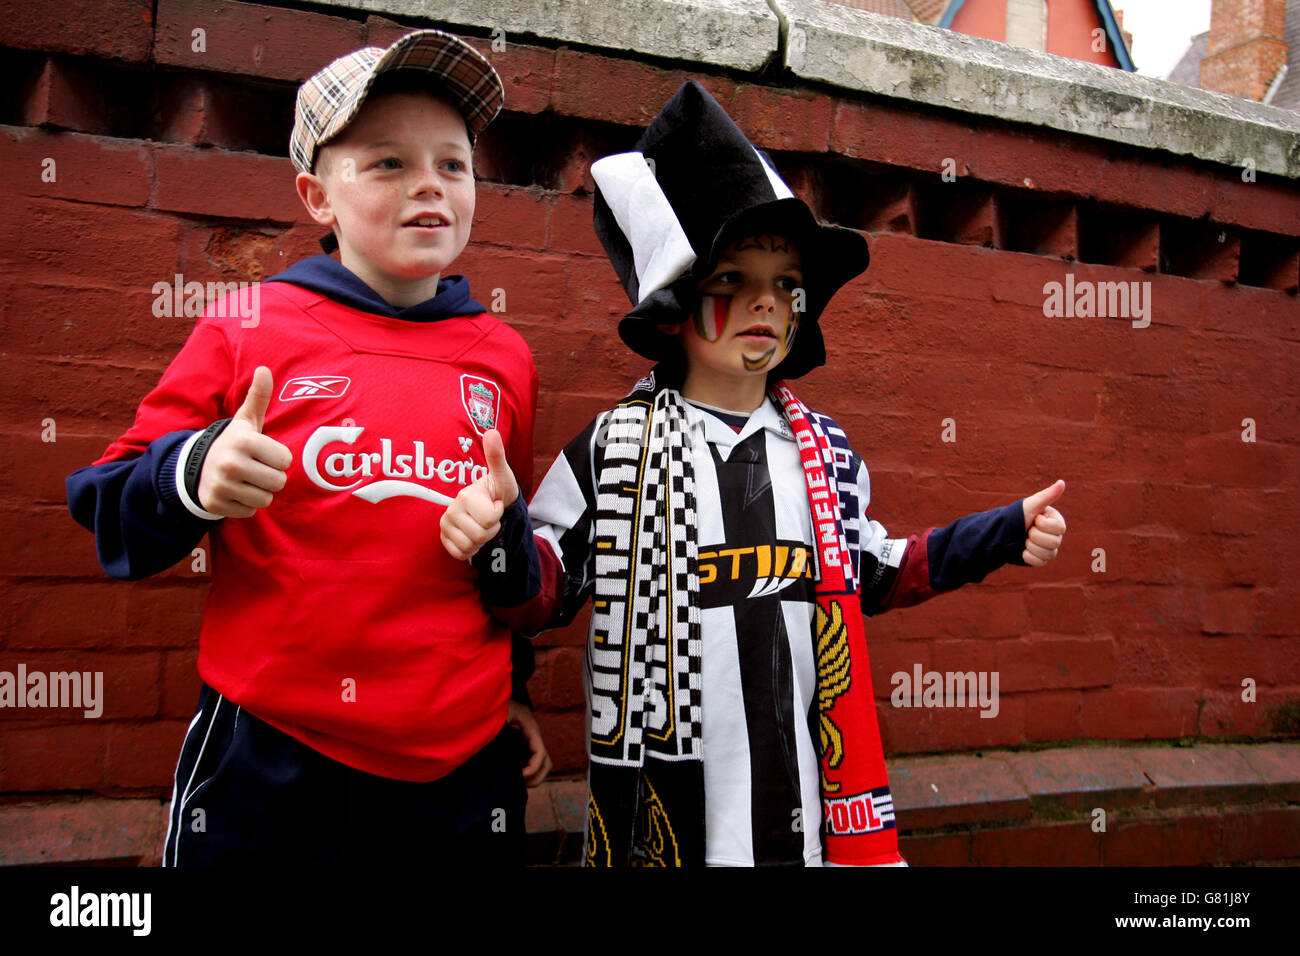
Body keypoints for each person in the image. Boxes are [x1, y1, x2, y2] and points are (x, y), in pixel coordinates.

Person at [440, 81, 1066, 867]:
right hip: (669, 808)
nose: (764, 304)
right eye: (731, 281)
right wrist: (497, 536)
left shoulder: (826, 452)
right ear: (675, 308)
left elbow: (875, 572)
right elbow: (544, 592)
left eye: (785, 286)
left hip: (800, 800)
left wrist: (1002, 533)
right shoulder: (613, 448)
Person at [66, 29, 550, 867]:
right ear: (316, 196)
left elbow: (515, 562)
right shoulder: (249, 325)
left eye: (453, 164)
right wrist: (195, 473)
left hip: (461, 769)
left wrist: (512, 681)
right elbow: (105, 500)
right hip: (275, 760)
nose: (429, 185)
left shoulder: (504, 357)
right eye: (388, 164)